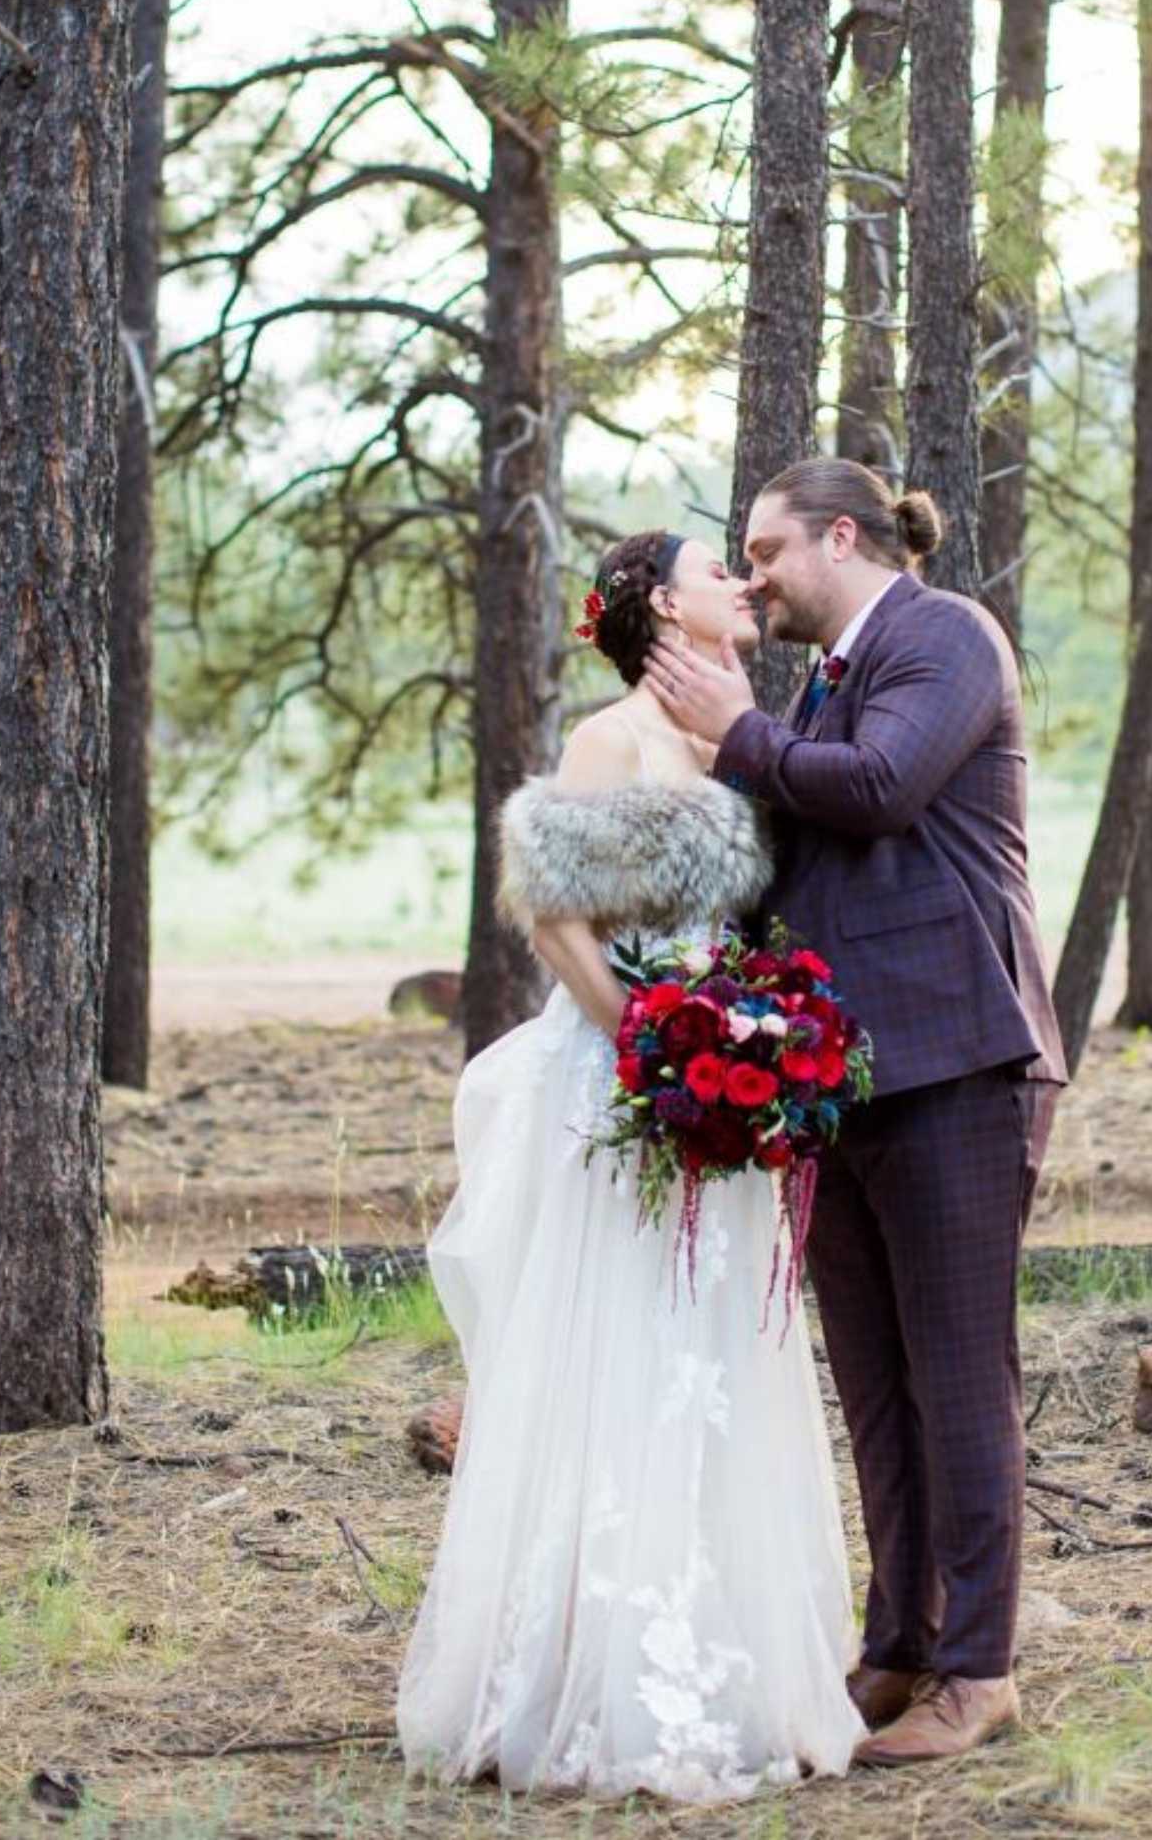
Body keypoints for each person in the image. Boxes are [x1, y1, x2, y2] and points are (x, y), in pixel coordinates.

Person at [396, 527, 864, 1801]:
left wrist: (749, 1044)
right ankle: (581, 1670)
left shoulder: (738, 731)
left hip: (722, 1087)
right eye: (720, 568)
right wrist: (655, 1047)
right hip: (628, 1084)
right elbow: (555, 919)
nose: (744, 583)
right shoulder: (614, 740)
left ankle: (732, 1657)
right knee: (625, 1352)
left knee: (716, 1359)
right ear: (662, 603)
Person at [644, 457, 1067, 1769]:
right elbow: (804, 853)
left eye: (767, 550)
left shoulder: (944, 638)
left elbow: (880, 789)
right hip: (842, 1081)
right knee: (877, 1392)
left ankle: (979, 1667)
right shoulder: (824, 679)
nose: (753, 574)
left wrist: (733, 734)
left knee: (957, 1380)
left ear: (842, 535)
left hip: (953, 1064)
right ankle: (897, 1649)